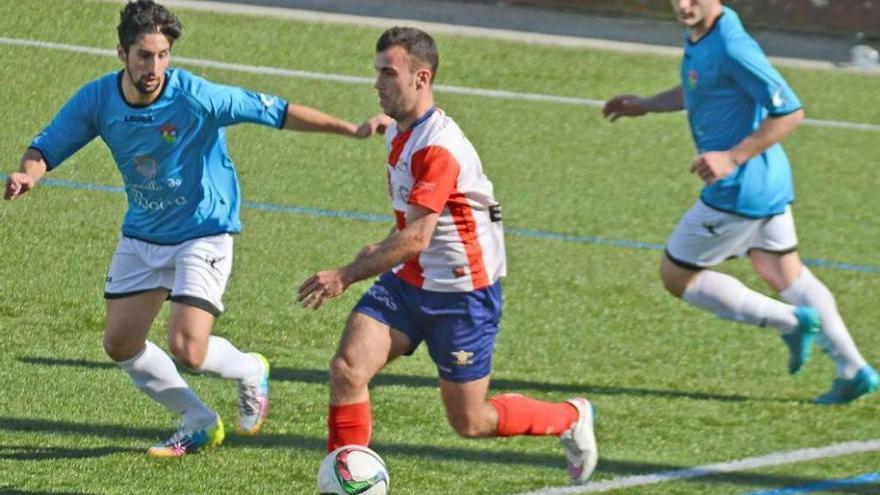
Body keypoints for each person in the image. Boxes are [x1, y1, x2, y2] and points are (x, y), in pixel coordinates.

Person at [4, 0, 390, 457]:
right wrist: (30, 173)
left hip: (202, 230)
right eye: (145, 55)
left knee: (188, 346)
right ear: (121, 53)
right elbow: (48, 144)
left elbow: (274, 111)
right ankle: (199, 419)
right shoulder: (98, 99)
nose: (155, 66)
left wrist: (351, 130)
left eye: (163, 55)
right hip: (143, 232)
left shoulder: (195, 96)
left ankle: (250, 369)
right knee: (120, 344)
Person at [297, 26, 598, 485]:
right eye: (376, 72)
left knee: (470, 421)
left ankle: (569, 417)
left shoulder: (437, 147)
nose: (377, 84)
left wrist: (346, 273)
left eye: (388, 74)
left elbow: (417, 236)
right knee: (347, 369)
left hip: (462, 296)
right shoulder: (402, 127)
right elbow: (414, 245)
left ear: (422, 78)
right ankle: (346, 481)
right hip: (409, 281)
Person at [602, 0, 877, 404]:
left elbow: (790, 110)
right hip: (768, 182)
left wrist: (731, 157)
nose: (682, 5)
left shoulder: (733, 44)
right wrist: (648, 104)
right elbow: (702, 84)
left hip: (740, 189)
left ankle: (790, 323)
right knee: (786, 273)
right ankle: (854, 369)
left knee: (678, 276)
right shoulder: (706, 30)